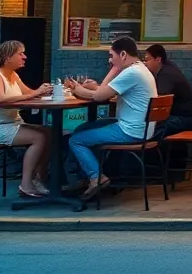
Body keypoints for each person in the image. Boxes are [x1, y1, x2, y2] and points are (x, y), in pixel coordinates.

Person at [65, 37, 159, 199]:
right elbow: (104, 91)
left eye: (111, 55)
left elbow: (99, 96)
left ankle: (96, 178)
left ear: (123, 54)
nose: (109, 59)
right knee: (83, 128)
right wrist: (113, 70)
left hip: (131, 131)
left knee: (76, 140)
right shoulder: (140, 69)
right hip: (142, 128)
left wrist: (77, 88)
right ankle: (84, 177)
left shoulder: (132, 73)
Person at [0, 40, 53, 198]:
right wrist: (36, 93)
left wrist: (45, 91)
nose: (24, 57)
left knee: (49, 133)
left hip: (11, 123)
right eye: (20, 53)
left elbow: (29, 94)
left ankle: (39, 179)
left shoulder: (13, 75)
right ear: (7, 57)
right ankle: (26, 184)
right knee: (39, 137)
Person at [142, 44, 192, 137]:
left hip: (184, 119)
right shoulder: (168, 68)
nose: (145, 63)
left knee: (150, 127)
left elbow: (159, 100)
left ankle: (149, 146)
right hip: (187, 117)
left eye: (147, 60)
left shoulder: (167, 75)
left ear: (158, 59)